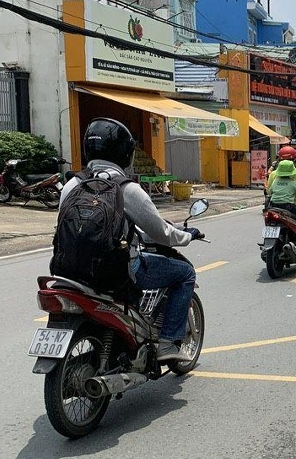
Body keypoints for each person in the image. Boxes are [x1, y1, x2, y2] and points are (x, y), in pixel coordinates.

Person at [58, 118, 203, 363]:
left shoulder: (71, 185)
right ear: (125, 153)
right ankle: (167, 343)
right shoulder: (127, 189)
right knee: (185, 273)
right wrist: (186, 236)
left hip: (69, 269)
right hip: (115, 272)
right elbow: (161, 233)